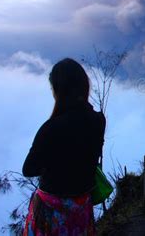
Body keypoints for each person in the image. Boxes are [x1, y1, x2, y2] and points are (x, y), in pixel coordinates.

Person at [22, 58, 106, 235]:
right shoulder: (98, 121)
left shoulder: (51, 128)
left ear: (58, 90)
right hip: (82, 206)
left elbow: (29, 169)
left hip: (50, 211)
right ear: (84, 85)